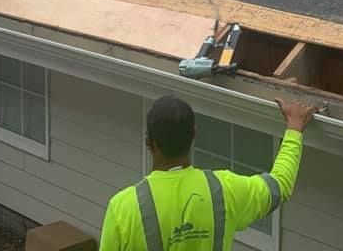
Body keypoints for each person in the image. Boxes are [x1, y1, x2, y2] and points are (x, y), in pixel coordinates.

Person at [100, 95, 318, 251]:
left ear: (149, 142)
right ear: (193, 135)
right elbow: (280, 185)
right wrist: (294, 129)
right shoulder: (224, 190)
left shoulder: (123, 208)